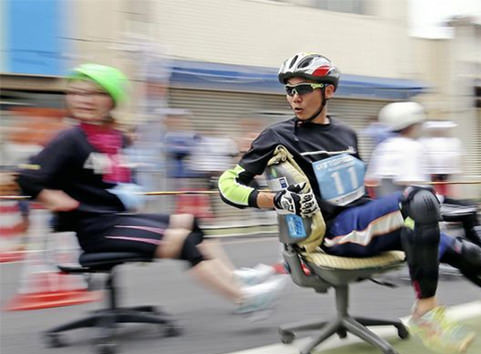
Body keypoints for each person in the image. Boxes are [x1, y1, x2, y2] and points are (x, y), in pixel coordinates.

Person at [219, 53, 475, 354]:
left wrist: (393, 213)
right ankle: (426, 312)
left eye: (302, 89)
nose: (294, 98)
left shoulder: (346, 133)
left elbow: (357, 193)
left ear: (328, 90)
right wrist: (273, 199)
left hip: (359, 223)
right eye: (289, 90)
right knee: (420, 200)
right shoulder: (277, 135)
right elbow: (228, 185)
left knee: (450, 237)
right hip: (329, 234)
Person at [15, 63, 284, 319]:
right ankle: (244, 299)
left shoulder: (111, 136)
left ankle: (233, 277)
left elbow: (117, 169)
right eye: (76, 92)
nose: (83, 99)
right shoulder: (69, 139)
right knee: (182, 241)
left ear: (111, 99)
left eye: (95, 93)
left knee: (191, 222)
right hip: (96, 228)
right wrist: (54, 198)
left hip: (116, 218)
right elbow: (27, 177)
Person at [367, 102, 481, 325]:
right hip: (414, 212)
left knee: (464, 244)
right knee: (470, 212)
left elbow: (381, 185)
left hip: (396, 215)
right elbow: (412, 187)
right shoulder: (409, 147)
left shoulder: (385, 146)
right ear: (411, 123)